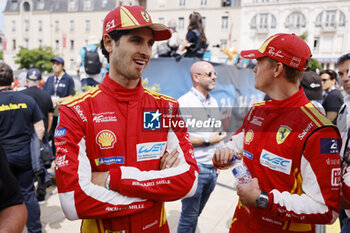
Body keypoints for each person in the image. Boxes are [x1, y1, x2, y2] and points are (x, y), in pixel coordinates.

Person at [54, 5, 198, 233]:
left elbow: (189, 181)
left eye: (150, 43)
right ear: (109, 43)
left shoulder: (167, 107)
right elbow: (73, 202)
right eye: (136, 40)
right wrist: (156, 188)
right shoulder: (76, 111)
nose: (146, 51)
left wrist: (112, 179)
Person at [213, 33, 341, 233]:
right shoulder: (257, 110)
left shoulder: (318, 130)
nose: (254, 68)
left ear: (277, 69)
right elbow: (235, 145)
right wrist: (224, 153)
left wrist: (263, 199)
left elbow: (326, 209)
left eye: (258, 62)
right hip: (242, 225)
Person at [177, 61, 226, 233]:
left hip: (212, 171)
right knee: (188, 218)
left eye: (215, 74)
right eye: (210, 74)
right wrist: (208, 140)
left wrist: (220, 162)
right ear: (196, 77)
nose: (214, 77)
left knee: (195, 215)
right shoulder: (184, 102)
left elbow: (217, 132)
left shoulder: (212, 101)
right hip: (195, 170)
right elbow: (179, 139)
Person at [0, 62, 45, 233]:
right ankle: (35, 230)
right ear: (12, 80)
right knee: (27, 194)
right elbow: (40, 128)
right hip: (25, 155)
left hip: (2, 158)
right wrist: (35, 148)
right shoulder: (27, 100)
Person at [22, 68, 54, 203]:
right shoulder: (46, 95)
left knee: (29, 164)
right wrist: (47, 131)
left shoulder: (22, 95)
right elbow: (50, 116)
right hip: (42, 133)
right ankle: (41, 194)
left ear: (27, 80)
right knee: (42, 162)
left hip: (26, 134)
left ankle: (27, 192)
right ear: (40, 81)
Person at [43, 56, 75, 156]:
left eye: (57, 64)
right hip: (50, 112)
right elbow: (44, 93)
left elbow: (71, 96)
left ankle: (61, 156)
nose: (55, 66)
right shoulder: (50, 79)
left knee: (60, 135)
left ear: (62, 66)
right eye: (54, 64)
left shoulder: (68, 79)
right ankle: (52, 156)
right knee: (49, 134)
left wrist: (58, 100)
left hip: (61, 112)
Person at [336, 53, 350, 232]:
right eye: (341, 73)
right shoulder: (344, 105)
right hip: (342, 191)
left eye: (349, 71)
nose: (345, 77)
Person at [0, 144, 28, 233]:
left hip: (16, 154)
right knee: (28, 192)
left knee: (27, 192)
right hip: (23, 153)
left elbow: (13, 202)